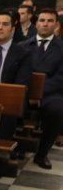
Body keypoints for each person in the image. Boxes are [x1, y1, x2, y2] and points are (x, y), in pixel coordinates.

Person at [25, 9, 62, 170]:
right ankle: (14, 149)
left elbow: (61, 77)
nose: (45, 24)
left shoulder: (61, 48)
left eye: (49, 20)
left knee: (58, 110)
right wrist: (30, 92)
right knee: (7, 103)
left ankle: (42, 153)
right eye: (41, 20)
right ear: (36, 23)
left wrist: (39, 92)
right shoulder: (23, 45)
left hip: (50, 93)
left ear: (56, 24)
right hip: (25, 91)